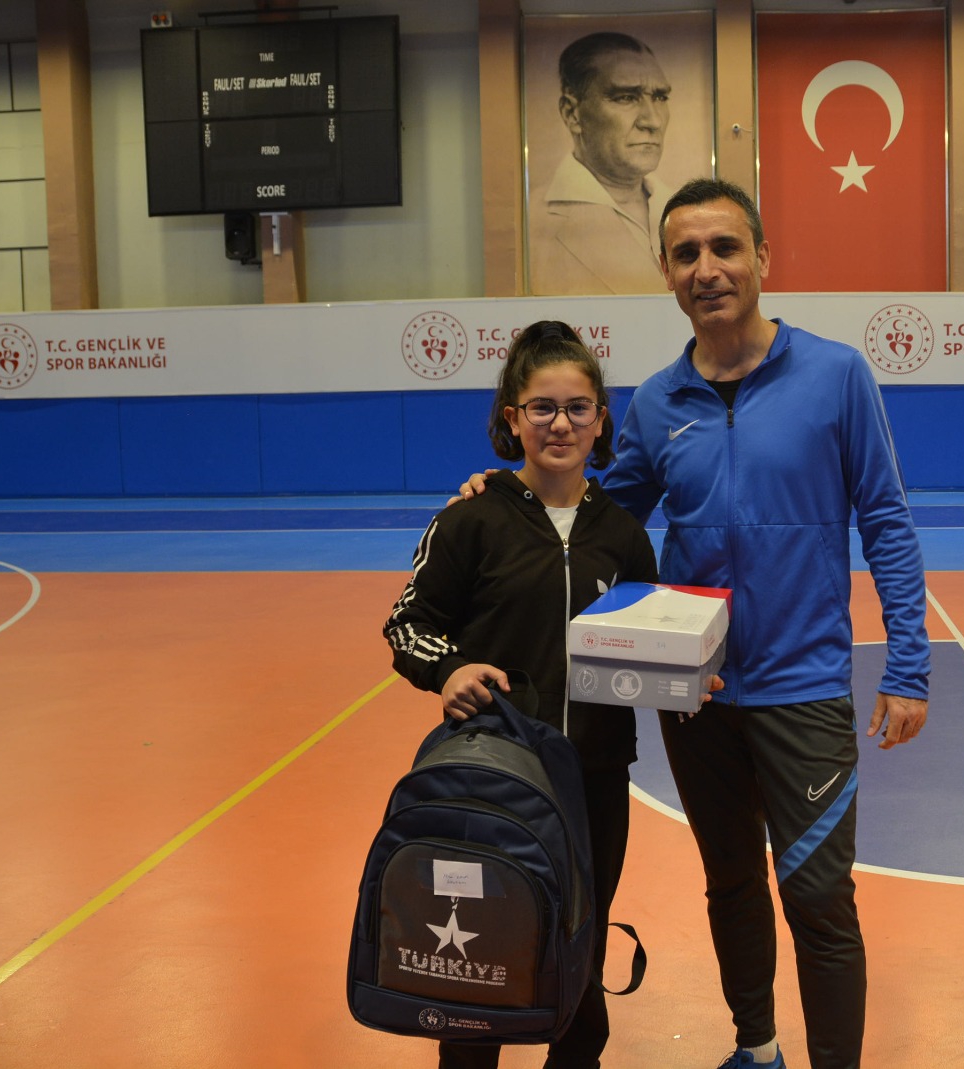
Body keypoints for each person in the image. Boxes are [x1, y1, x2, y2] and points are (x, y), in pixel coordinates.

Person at [459, 178, 931, 1069]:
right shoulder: (656, 403)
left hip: (803, 689)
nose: (707, 269)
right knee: (731, 882)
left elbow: (887, 520)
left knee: (818, 897)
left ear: (762, 258)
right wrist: (503, 492)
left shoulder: (836, 376)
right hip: (697, 696)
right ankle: (757, 1047)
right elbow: (593, 516)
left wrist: (908, 664)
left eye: (724, 248)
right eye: (686, 254)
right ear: (667, 272)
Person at [385, 321, 704, 1069]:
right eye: (542, 407)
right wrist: (448, 669)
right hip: (490, 777)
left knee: (580, 947)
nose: (560, 423)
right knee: (482, 952)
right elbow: (407, 624)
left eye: (577, 408)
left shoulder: (623, 535)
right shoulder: (471, 519)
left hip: (595, 783)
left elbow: (645, 645)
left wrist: (687, 678)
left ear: (600, 422)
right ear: (512, 417)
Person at [530, 32, 676, 295]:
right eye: (626, 97)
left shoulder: (678, 205)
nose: (652, 121)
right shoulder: (533, 224)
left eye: (660, 97)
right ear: (572, 114)